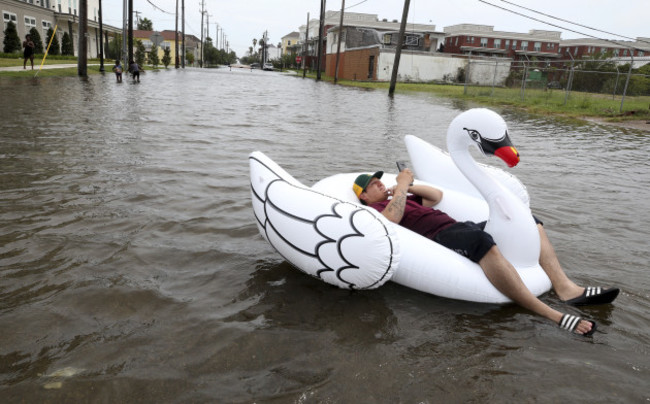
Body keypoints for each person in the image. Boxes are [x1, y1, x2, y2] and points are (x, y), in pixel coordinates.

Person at [353, 169, 619, 336]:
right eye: (373, 185)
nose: (379, 184)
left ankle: (565, 288)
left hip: (458, 226)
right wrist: (399, 187)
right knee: (481, 240)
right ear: (364, 197)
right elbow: (392, 218)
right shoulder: (376, 210)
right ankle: (552, 314)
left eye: (379, 181)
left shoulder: (402, 197)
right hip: (440, 237)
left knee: (528, 220)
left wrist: (407, 185)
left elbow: (435, 195)